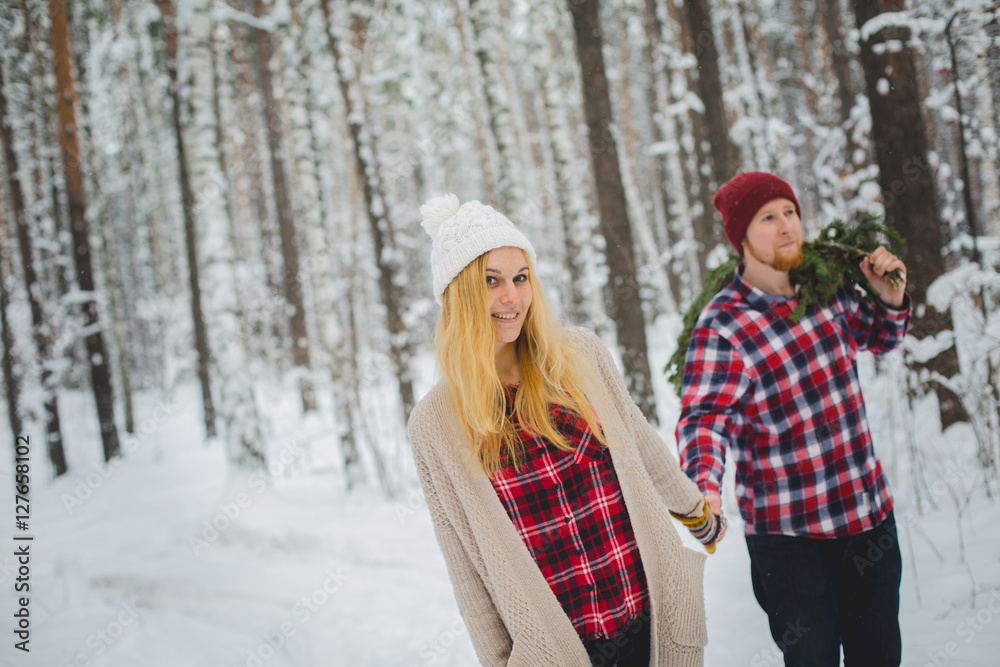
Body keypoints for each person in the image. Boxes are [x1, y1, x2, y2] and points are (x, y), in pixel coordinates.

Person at [408, 194, 724, 667]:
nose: (511, 297)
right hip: (560, 650)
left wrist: (696, 512)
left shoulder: (578, 356)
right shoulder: (434, 425)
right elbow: (465, 566)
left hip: (650, 620)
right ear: (459, 294)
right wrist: (498, 661)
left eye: (520, 278)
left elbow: (639, 442)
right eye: (490, 282)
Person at [675, 172, 910, 666]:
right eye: (768, 218)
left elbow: (879, 337)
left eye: (790, 212)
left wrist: (889, 298)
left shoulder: (826, 288)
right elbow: (704, 419)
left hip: (867, 517)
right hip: (791, 542)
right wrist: (706, 487)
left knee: (880, 655)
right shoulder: (723, 326)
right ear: (740, 239)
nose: (786, 226)